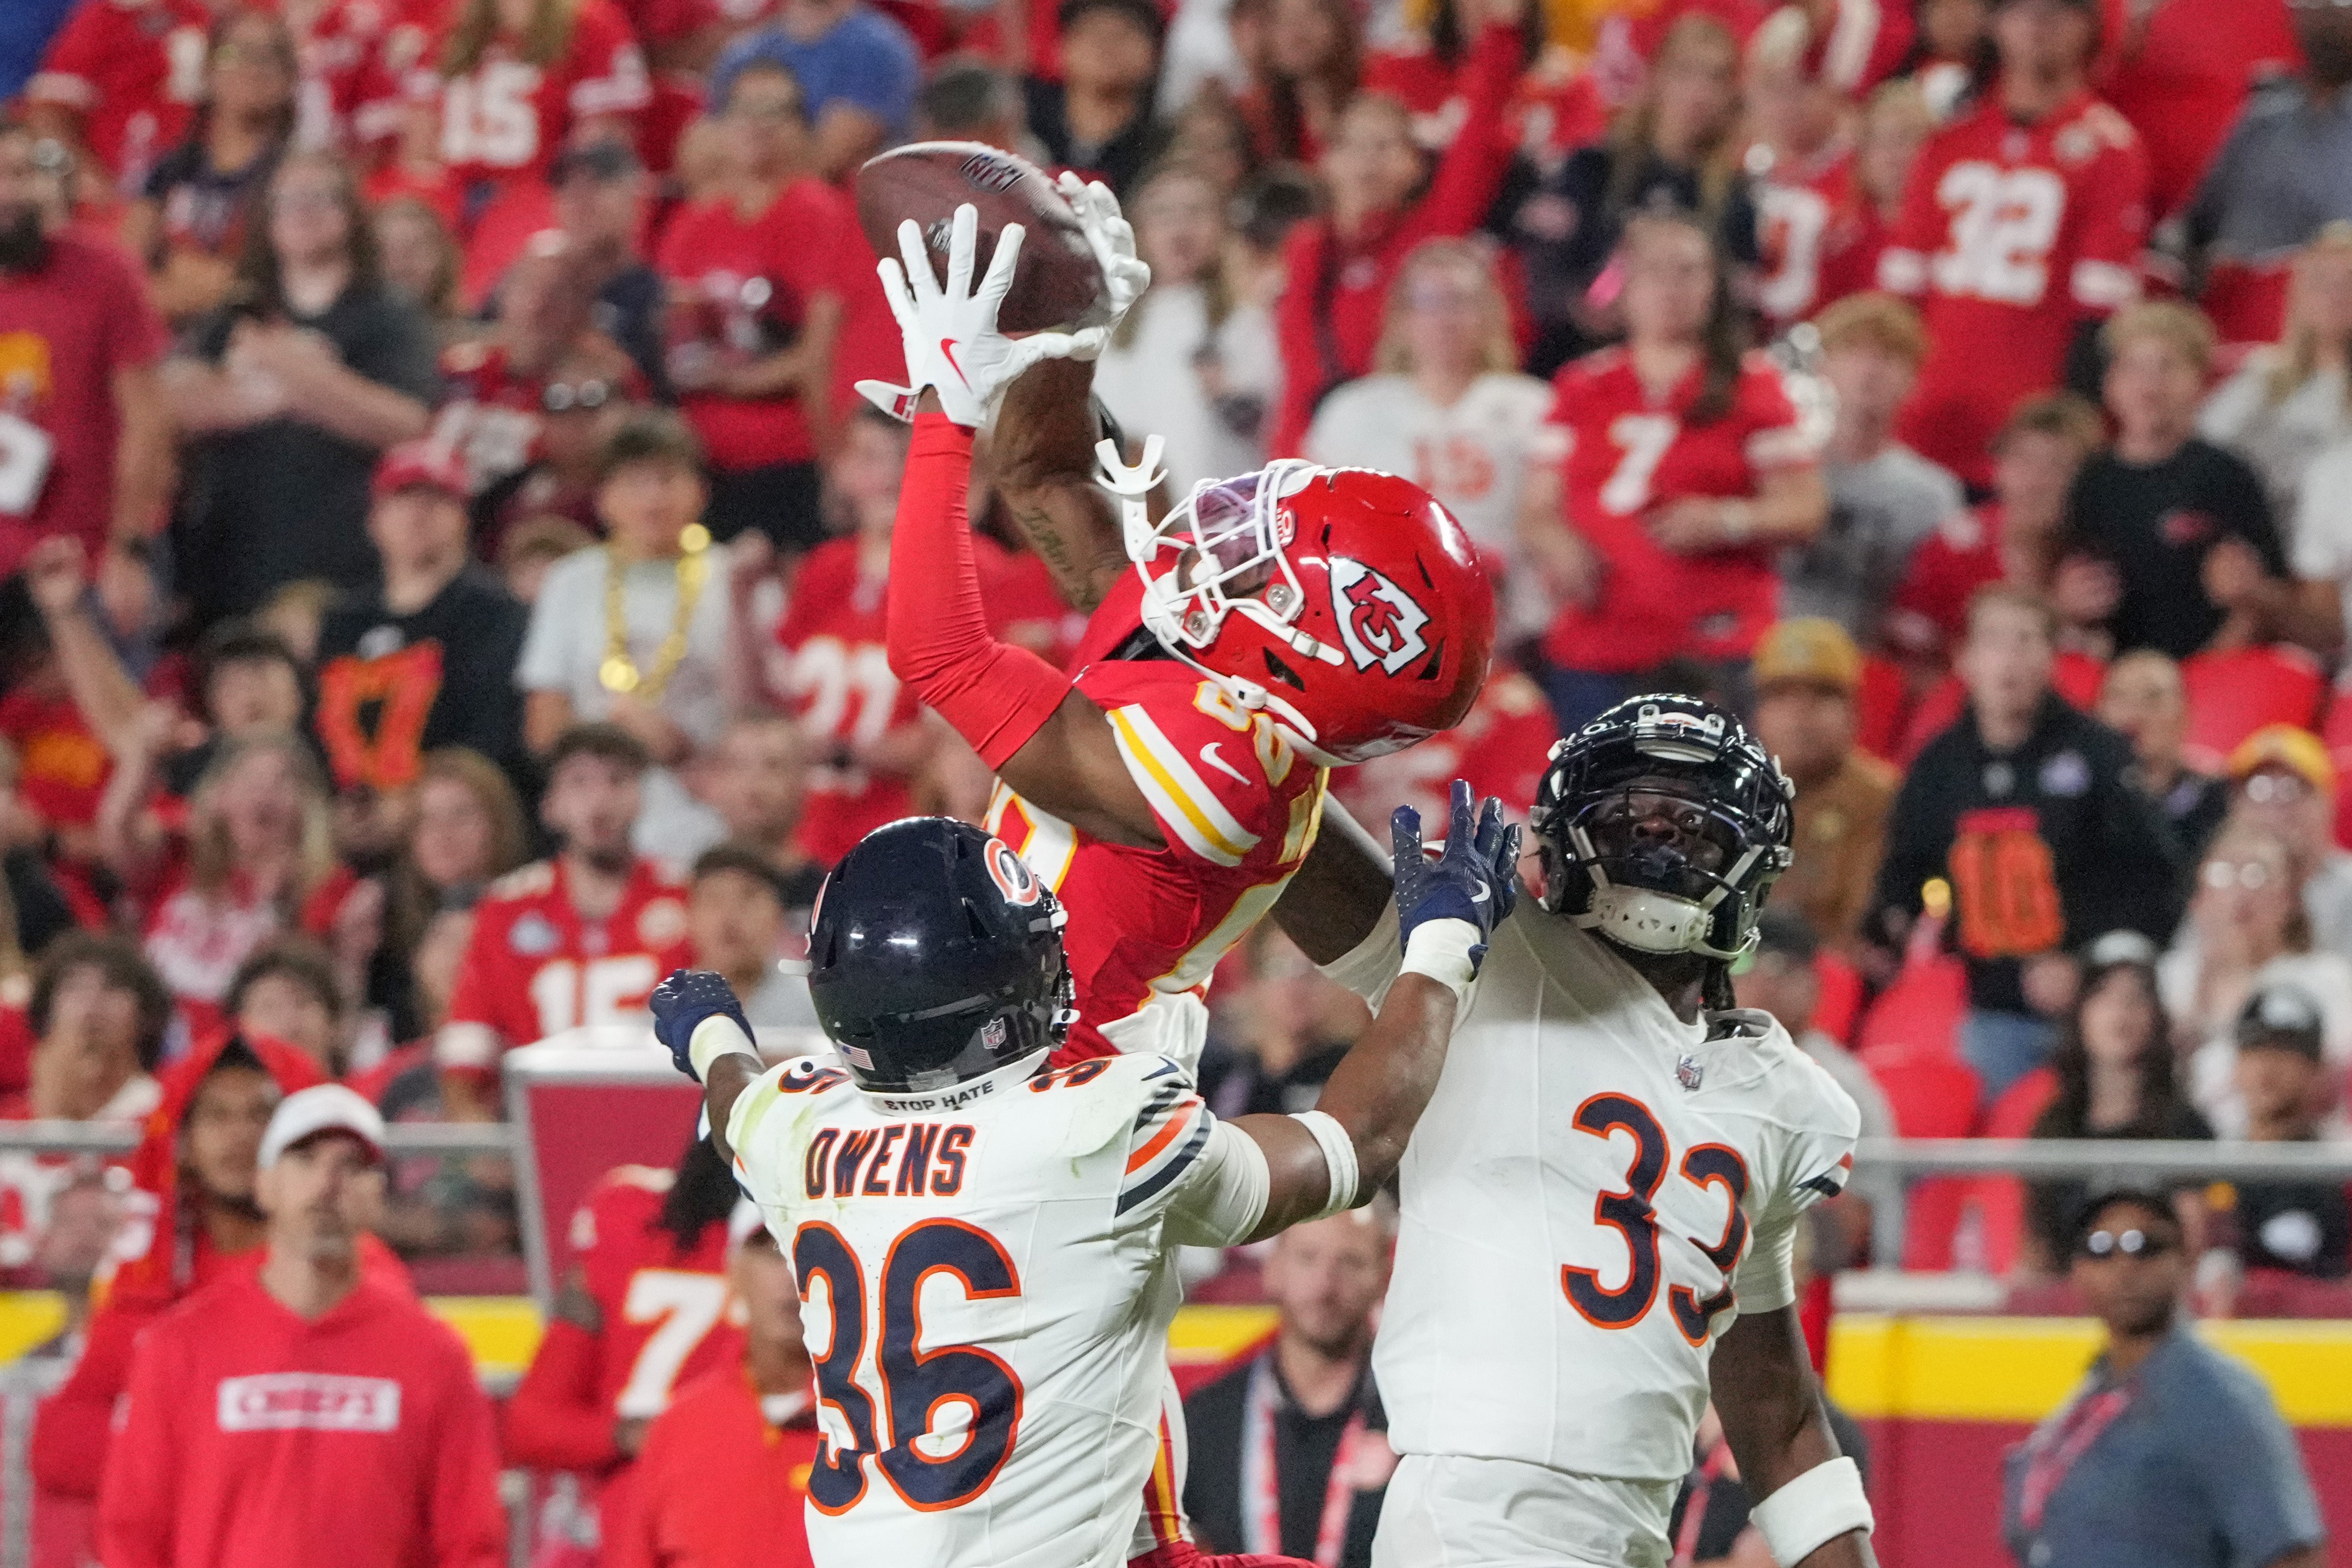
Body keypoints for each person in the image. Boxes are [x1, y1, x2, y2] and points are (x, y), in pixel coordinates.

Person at [660, 788, 1517, 1567]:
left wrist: (708, 1031)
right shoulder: (1092, 1126)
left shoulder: (797, 1123)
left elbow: (734, 1095)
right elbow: (1353, 1145)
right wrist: (1441, 949)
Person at [862, 201, 1496, 1070]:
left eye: (1262, 567)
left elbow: (937, 654)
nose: (1225, 541)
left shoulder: (1220, 778)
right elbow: (1042, 476)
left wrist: (945, 409)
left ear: (1299, 654)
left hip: (1073, 1104)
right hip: (1000, 1050)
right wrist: (1070, 338)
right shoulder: (1222, 663)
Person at [1304, 695, 1873, 1568]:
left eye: (1690, 824)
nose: (1657, 839)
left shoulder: (1780, 1096)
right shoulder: (1487, 948)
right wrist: (1223, 715)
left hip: (1635, 1531)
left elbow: (1776, 1412)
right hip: (1472, 1518)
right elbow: (1288, 847)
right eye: (1630, 816)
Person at [96, 1085, 508, 1568]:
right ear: (264, 1184)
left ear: (379, 1195)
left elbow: (471, 1544)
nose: (328, 1182)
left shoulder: (434, 1356)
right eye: (305, 1158)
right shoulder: (179, 1347)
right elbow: (132, 1535)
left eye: (353, 1165)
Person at [29, 1031, 344, 1551]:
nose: (239, 1136)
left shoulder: (352, 1280)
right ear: (183, 1142)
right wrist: (204, 1461)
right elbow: (61, 1446)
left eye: (259, 1116)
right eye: (217, 1117)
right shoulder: (150, 1282)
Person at [1520, 208, 1829, 736]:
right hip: (1598, 643)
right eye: (1655, 271)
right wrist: (1558, 544)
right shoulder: (1581, 386)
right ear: (1625, 286)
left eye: (1688, 271)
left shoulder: (1752, 385)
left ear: (1714, 287)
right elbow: (1536, 508)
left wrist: (1727, 520)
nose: (1671, 288)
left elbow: (1805, 508)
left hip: (1713, 644)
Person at [1866, 587, 2179, 1102]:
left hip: (2097, 1006)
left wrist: (2085, 962)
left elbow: (2154, 877)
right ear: (1964, 659)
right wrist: (1886, 928)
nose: (2008, 660)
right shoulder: (1938, 766)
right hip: (1993, 1003)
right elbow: (1905, 872)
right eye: (1992, 641)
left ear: (2051, 658)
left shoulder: (2098, 754)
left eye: (2025, 641)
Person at [1876, 0, 2149, 490]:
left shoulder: (2110, 150)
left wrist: (2065, 430)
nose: (2037, 22)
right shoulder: (1948, 143)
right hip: (1924, 424)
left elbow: (2098, 320)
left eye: (2057, 10)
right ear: (1994, 22)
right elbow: (1898, 307)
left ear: (2089, 28)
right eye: (2019, 8)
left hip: (2028, 439)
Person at [164, 150, 439, 628]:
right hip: (231, 563)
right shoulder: (233, 316)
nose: (303, 211)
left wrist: (287, 369)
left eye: (320, 198)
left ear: (351, 215)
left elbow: (409, 425)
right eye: (287, 201)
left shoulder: (388, 315)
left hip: (347, 562)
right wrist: (268, 397)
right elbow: (169, 404)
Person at [2001, 1189, 2325, 1568]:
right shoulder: (2096, 1390)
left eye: (2146, 1247)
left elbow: (2294, 1555)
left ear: (2186, 1262)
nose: (2125, 1266)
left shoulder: (2216, 1396)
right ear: (2078, 1272)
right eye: (2102, 1249)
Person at [1265, 0, 1529, 454]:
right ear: (1326, 161)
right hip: (1315, 450)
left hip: (1402, 444)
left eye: (1386, 145)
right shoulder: (1304, 248)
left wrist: (1501, 36)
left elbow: (1479, 134)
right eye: (1355, 144)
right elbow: (1299, 377)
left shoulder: (1428, 236)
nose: (1369, 160)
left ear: (1414, 167)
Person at [1305, 240, 1562, 647]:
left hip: (1513, 632)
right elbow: (1313, 526)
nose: (1445, 319)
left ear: (1491, 314)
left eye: (1461, 301)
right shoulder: (1352, 409)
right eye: (1427, 302)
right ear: (1401, 317)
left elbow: (1551, 515)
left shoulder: (1535, 405)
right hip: (1383, 630)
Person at [435, 724, 694, 1117]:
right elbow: (467, 1050)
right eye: (579, 782)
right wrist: (486, 1148)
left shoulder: (685, 898)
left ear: (641, 797)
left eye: (617, 781)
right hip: (543, 1128)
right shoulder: (507, 909)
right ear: (550, 805)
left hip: (665, 1121)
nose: (600, 801)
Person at [505, 1138, 745, 1560]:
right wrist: (629, 1434)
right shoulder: (803, 1244)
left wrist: (629, 1434)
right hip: (679, 1517)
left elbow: (532, 1423)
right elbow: (532, 1424)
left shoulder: (625, 1209)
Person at [519, 412, 735, 862]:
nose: (653, 498)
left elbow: (762, 711)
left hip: (713, 813)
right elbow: (544, 726)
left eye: (667, 479)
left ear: (699, 491)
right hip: (598, 818)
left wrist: (685, 748)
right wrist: (620, 740)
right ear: (604, 499)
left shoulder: (733, 577)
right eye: (635, 482)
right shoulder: (571, 582)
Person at [655, 60, 848, 555]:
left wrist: (736, 381)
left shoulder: (818, 212)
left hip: (791, 457)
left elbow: (823, 352)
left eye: (775, 111)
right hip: (703, 464)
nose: (758, 124)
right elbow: (676, 331)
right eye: (743, 109)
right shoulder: (693, 222)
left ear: (801, 128)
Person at [1499, 13, 1758, 378]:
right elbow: (1540, 273)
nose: (1699, 92)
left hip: (1681, 372)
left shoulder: (1736, 196)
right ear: (1656, 77)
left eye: (1716, 78)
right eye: (1686, 72)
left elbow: (1738, 305)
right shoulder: (1592, 168)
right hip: (1574, 357)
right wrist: (1581, 307)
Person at [2063, 302, 2325, 662]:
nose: (2150, 383)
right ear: (2110, 383)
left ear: (2200, 382)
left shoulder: (2228, 474)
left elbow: (2266, 596)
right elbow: (2067, 595)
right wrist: (2065, 604)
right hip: (2115, 677)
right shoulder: (2089, 482)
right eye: (2133, 366)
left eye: (2167, 366)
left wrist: (2249, 598)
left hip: (2214, 671)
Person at [0, 118, 173, 583]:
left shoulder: (104, 274)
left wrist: (128, 550)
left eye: (20, 174)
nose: (9, 194)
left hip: (89, 560)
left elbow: (147, 420)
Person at [603, 1201, 821, 1568]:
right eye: (770, 1250)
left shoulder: (883, 1423)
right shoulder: (681, 1427)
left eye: (812, 1249)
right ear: (733, 1271)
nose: (791, 1272)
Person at [314, 440, 533, 796]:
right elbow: (319, 730)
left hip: (453, 814)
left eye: (435, 501)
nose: (418, 515)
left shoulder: (496, 616)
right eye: (403, 499)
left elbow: (491, 736)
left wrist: (412, 804)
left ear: (463, 519)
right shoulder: (343, 621)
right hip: (353, 816)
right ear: (374, 519)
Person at [1182, 1206, 1397, 1565]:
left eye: (1351, 1262)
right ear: (1273, 1268)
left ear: (1384, 1278)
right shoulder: (1208, 1418)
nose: (1325, 1285)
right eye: (1307, 1258)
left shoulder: (1415, 1422)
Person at [1780, 292, 1962, 641]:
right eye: (1853, 351)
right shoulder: (1780, 463)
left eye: (1890, 356)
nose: (1870, 370)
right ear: (1821, 367)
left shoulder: (1932, 494)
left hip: (1872, 671)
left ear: (1914, 380)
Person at [2021, 939, 2211, 1275]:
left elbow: (2194, 1246)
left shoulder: (2184, 1125)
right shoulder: (2055, 1125)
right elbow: (2035, 1248)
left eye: (2137, 998)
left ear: (2158, 1016)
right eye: (2103, 995)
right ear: (2081, 1012)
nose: (2120, 1012)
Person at [1090, 160, 1278, 496]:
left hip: (1223, 513)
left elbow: (1271, 414)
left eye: (1196, 212)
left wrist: (1231, 395)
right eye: (1163, 213)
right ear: (1137, 229)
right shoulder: (1110, 330)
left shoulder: (1246, 320)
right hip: (1131, 516)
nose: (1180, 227)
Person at [2174, 0, 2352, 347]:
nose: (2324, 21)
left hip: (2328, 328)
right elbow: (2197, 222)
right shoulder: (2263, 118)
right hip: (2227, 316)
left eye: (2338, 8)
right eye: (2313, 8)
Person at [1887, 392, 2107, 672]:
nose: (2035, 481)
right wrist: (2055, 615)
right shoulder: (1955, 547)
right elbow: (1909, 666)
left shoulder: (2098, 556)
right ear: (1998, 467)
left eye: (2058, 466)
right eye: (2023, 460)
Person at [2161, 818, 2352, 1138]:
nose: (2240, 892)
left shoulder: (2323, 979)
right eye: (2222, 873)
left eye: (2257, 874)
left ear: (2291, 900)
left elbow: (2333, 1076)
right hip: (2183, 1163)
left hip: (2293, 1158)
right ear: (2199, 897)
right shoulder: (2169, 978)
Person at [1734, 910, 1900, 1264]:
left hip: (1805, 1272)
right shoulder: (1707, 1060)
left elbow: (1854, 1222)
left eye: (1770, 970)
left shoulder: (1837, 1081)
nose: (1749, 984)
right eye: (1740, 967)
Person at [124, 9, 296, 327]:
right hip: (168, 340)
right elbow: (124, 277)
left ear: (290, 80)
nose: (252, 67)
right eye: (234, 53)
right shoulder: (170, 169)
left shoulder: (297, 174)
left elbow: (288, 286)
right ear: (208, 71)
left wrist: (199, 285)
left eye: (269, 56)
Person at [1749, 618, 1895, 948]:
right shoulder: (1730, 794)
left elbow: (1857, 930)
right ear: (1758, 712)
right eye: (1782, 694)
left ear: (1856, 710)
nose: (1801, 713)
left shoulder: (1882, 800)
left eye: (1823, 694)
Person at [2198, 226, 2352, 526]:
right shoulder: (2263, 375)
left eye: (2349, 282)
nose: (2336, 296)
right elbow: (2204, 449)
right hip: (2269, 537)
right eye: (2322, 282)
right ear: (2298, 293)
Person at [429, 0, 650, 205]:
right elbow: (420, 152)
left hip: (541, 199)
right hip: (453, 195)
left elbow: (601, 150)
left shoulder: (590, 23)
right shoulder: (455, 24)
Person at [2216, 984, 2351, 1285]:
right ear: (2236, 1064)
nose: (2268, 1066)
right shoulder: (2203, 1166)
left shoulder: (2343, 1175)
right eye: (2256, 1048)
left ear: (2319, 1070)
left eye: (2287, 1050)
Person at [706, 0, 921, 180]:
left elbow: (829, 159)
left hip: (844, 209)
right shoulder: (745, 52)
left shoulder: (877, 48)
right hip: (749, 207)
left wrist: (750, 158)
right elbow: (702, 151)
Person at [2094, 652, 2227, 892]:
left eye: (2153, 698)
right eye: (2118, 698)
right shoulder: (2083, 800)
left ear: (2185, 714)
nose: (2134, 715)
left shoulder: (2217, 798)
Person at [2221, 723, 2352, 957]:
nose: (2275, 806)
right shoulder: (2223, 881)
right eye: (2258, 789)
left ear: (2327, 804)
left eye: (2292, 790)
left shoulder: (2347, 888)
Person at [1026, 0, 1170, 196]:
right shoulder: (1022, 123)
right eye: (1092, 33)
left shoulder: (1166, 145)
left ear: (1154, 54)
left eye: (1124, 35)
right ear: (1061, 47)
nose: (1108, 48)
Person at [687, 843, 815, 1028]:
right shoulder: (669, 1009)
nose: (729, 915)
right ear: (689, 916)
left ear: (778, 914)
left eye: (748, 897)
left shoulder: (814, 1009)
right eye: (714, 898)